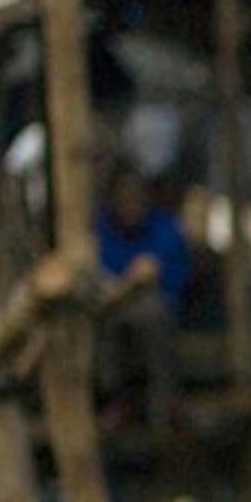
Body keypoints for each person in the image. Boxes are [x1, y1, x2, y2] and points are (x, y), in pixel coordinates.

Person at [93, 160, 189, 454]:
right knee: (107, 319)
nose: (130, 204)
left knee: (152, 313)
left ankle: (163, 406)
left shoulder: (165, 229)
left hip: (158, 312)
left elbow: (170, 280)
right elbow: (100, 279)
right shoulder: (101, 230)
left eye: (136, 197)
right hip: (113, 313)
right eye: (124, 197)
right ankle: (117, 400)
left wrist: (139, 281)